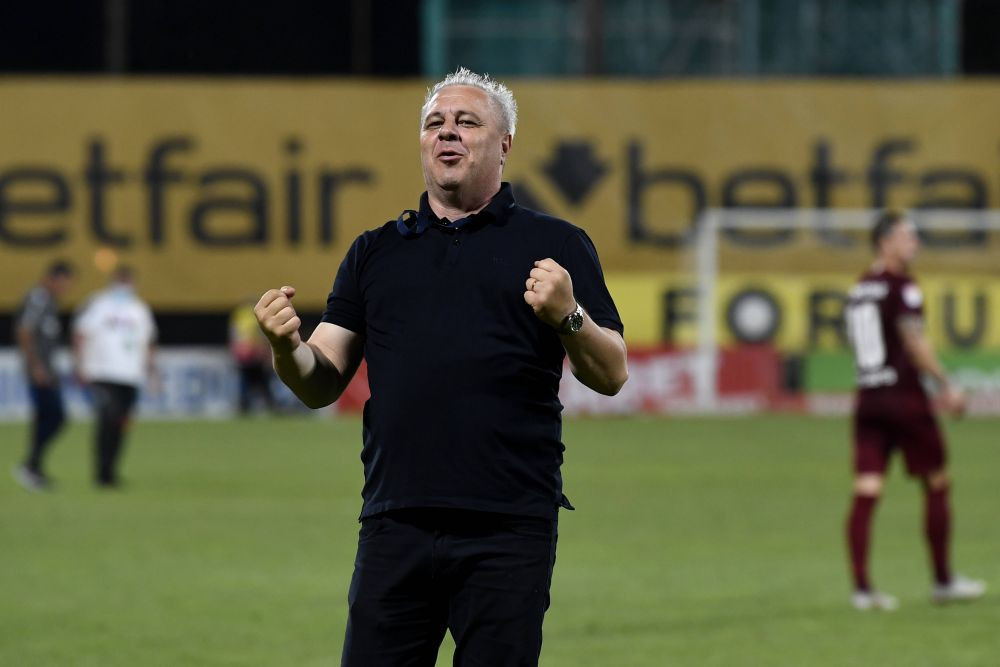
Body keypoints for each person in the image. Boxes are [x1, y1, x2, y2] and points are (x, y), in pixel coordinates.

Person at [255, 67, 627, 665]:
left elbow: (611, 374)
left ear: (504, 145)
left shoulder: (557, 243)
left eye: (466, 122)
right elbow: (320, 380)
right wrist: (285, 348)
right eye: (435, 123)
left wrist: (568, 314)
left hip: (509, 527)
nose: (447, 132)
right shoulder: (375, 251)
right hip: (395, 520)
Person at [844, 209, 985, 610]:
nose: (915, 243)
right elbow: (914, 342)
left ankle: (862, 590)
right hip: (904, 399)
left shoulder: (860, 288)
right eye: (907, 236)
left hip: (868, 398)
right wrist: (946, 384)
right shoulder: (902, 286)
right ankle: (943, 581)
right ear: (884, 242)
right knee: (937, 481)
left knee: (867, 489)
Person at [73, 266, 157, 488]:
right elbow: (81, 334)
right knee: (108, 419)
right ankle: (101, 472)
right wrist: (80, 365)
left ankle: (111, 471)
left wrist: (152, 372)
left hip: (130, 375)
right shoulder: (98, 304)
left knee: (122, 424)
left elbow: (148, 342)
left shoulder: (139, 309)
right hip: (102, 372)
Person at [12, 260, 76, 491]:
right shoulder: (38, 298)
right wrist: (36, 366)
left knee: (47, 418)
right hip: (39, 372)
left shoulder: (49, 301)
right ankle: (31, 465)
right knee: (55, 416)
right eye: (64, 283)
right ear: (53, 278)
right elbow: (24, 331)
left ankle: (33, 466)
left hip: (48, 370)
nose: (66, 289)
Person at [229, 298, 276, 414]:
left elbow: (234, 335)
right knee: (262, 382)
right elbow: (262, 335)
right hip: (254, 354)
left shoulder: (240, 316)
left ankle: (244, 405)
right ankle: (269, 405)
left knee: (247, 381)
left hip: (243, 355)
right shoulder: (256, 316)